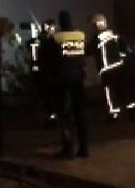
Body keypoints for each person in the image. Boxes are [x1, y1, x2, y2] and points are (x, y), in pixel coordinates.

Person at [52, 10, 89, 159]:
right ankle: (84, 149)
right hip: (78, 79)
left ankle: (68, 150)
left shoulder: (57, 38)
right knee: (80, 115)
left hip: (63, 81)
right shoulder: (80, 35)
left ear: (60, 21)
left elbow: (51, 59)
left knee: (65, 116)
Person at [89, 14, 135, 121]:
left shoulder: (97, 38)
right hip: (119, 66)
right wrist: (121, 58)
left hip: (107, 69)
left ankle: (113, 114)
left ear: (97, 24)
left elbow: (88, 50)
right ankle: (132, 112)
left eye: (93, 25)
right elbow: (125, 48)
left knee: (109, 92)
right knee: (123, 89)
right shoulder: (114, 34)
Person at [35, 19, 60, 127]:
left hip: (51, 72)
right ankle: (52, 117)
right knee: (50, 97)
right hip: (48, 72)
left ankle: (53, 117)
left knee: (52, 96)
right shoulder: (46, 41)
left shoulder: (50, 40)